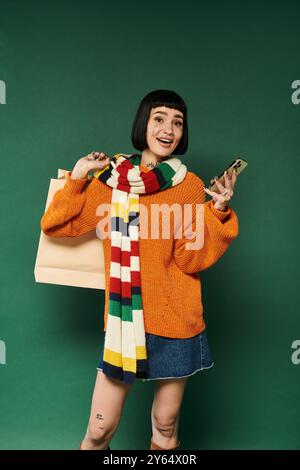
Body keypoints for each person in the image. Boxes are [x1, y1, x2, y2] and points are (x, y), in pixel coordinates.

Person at [40, 89, 239, 451]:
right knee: (99, 430)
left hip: (175, 320)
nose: (169, 129)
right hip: (123, 323)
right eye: (159, 119)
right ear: (143, 123)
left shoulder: (190, 187)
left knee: (165, 427)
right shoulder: (110, 180)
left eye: (178, 122)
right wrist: (78, 179)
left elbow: (189, 260)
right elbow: (55, 225)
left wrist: (218, 212)